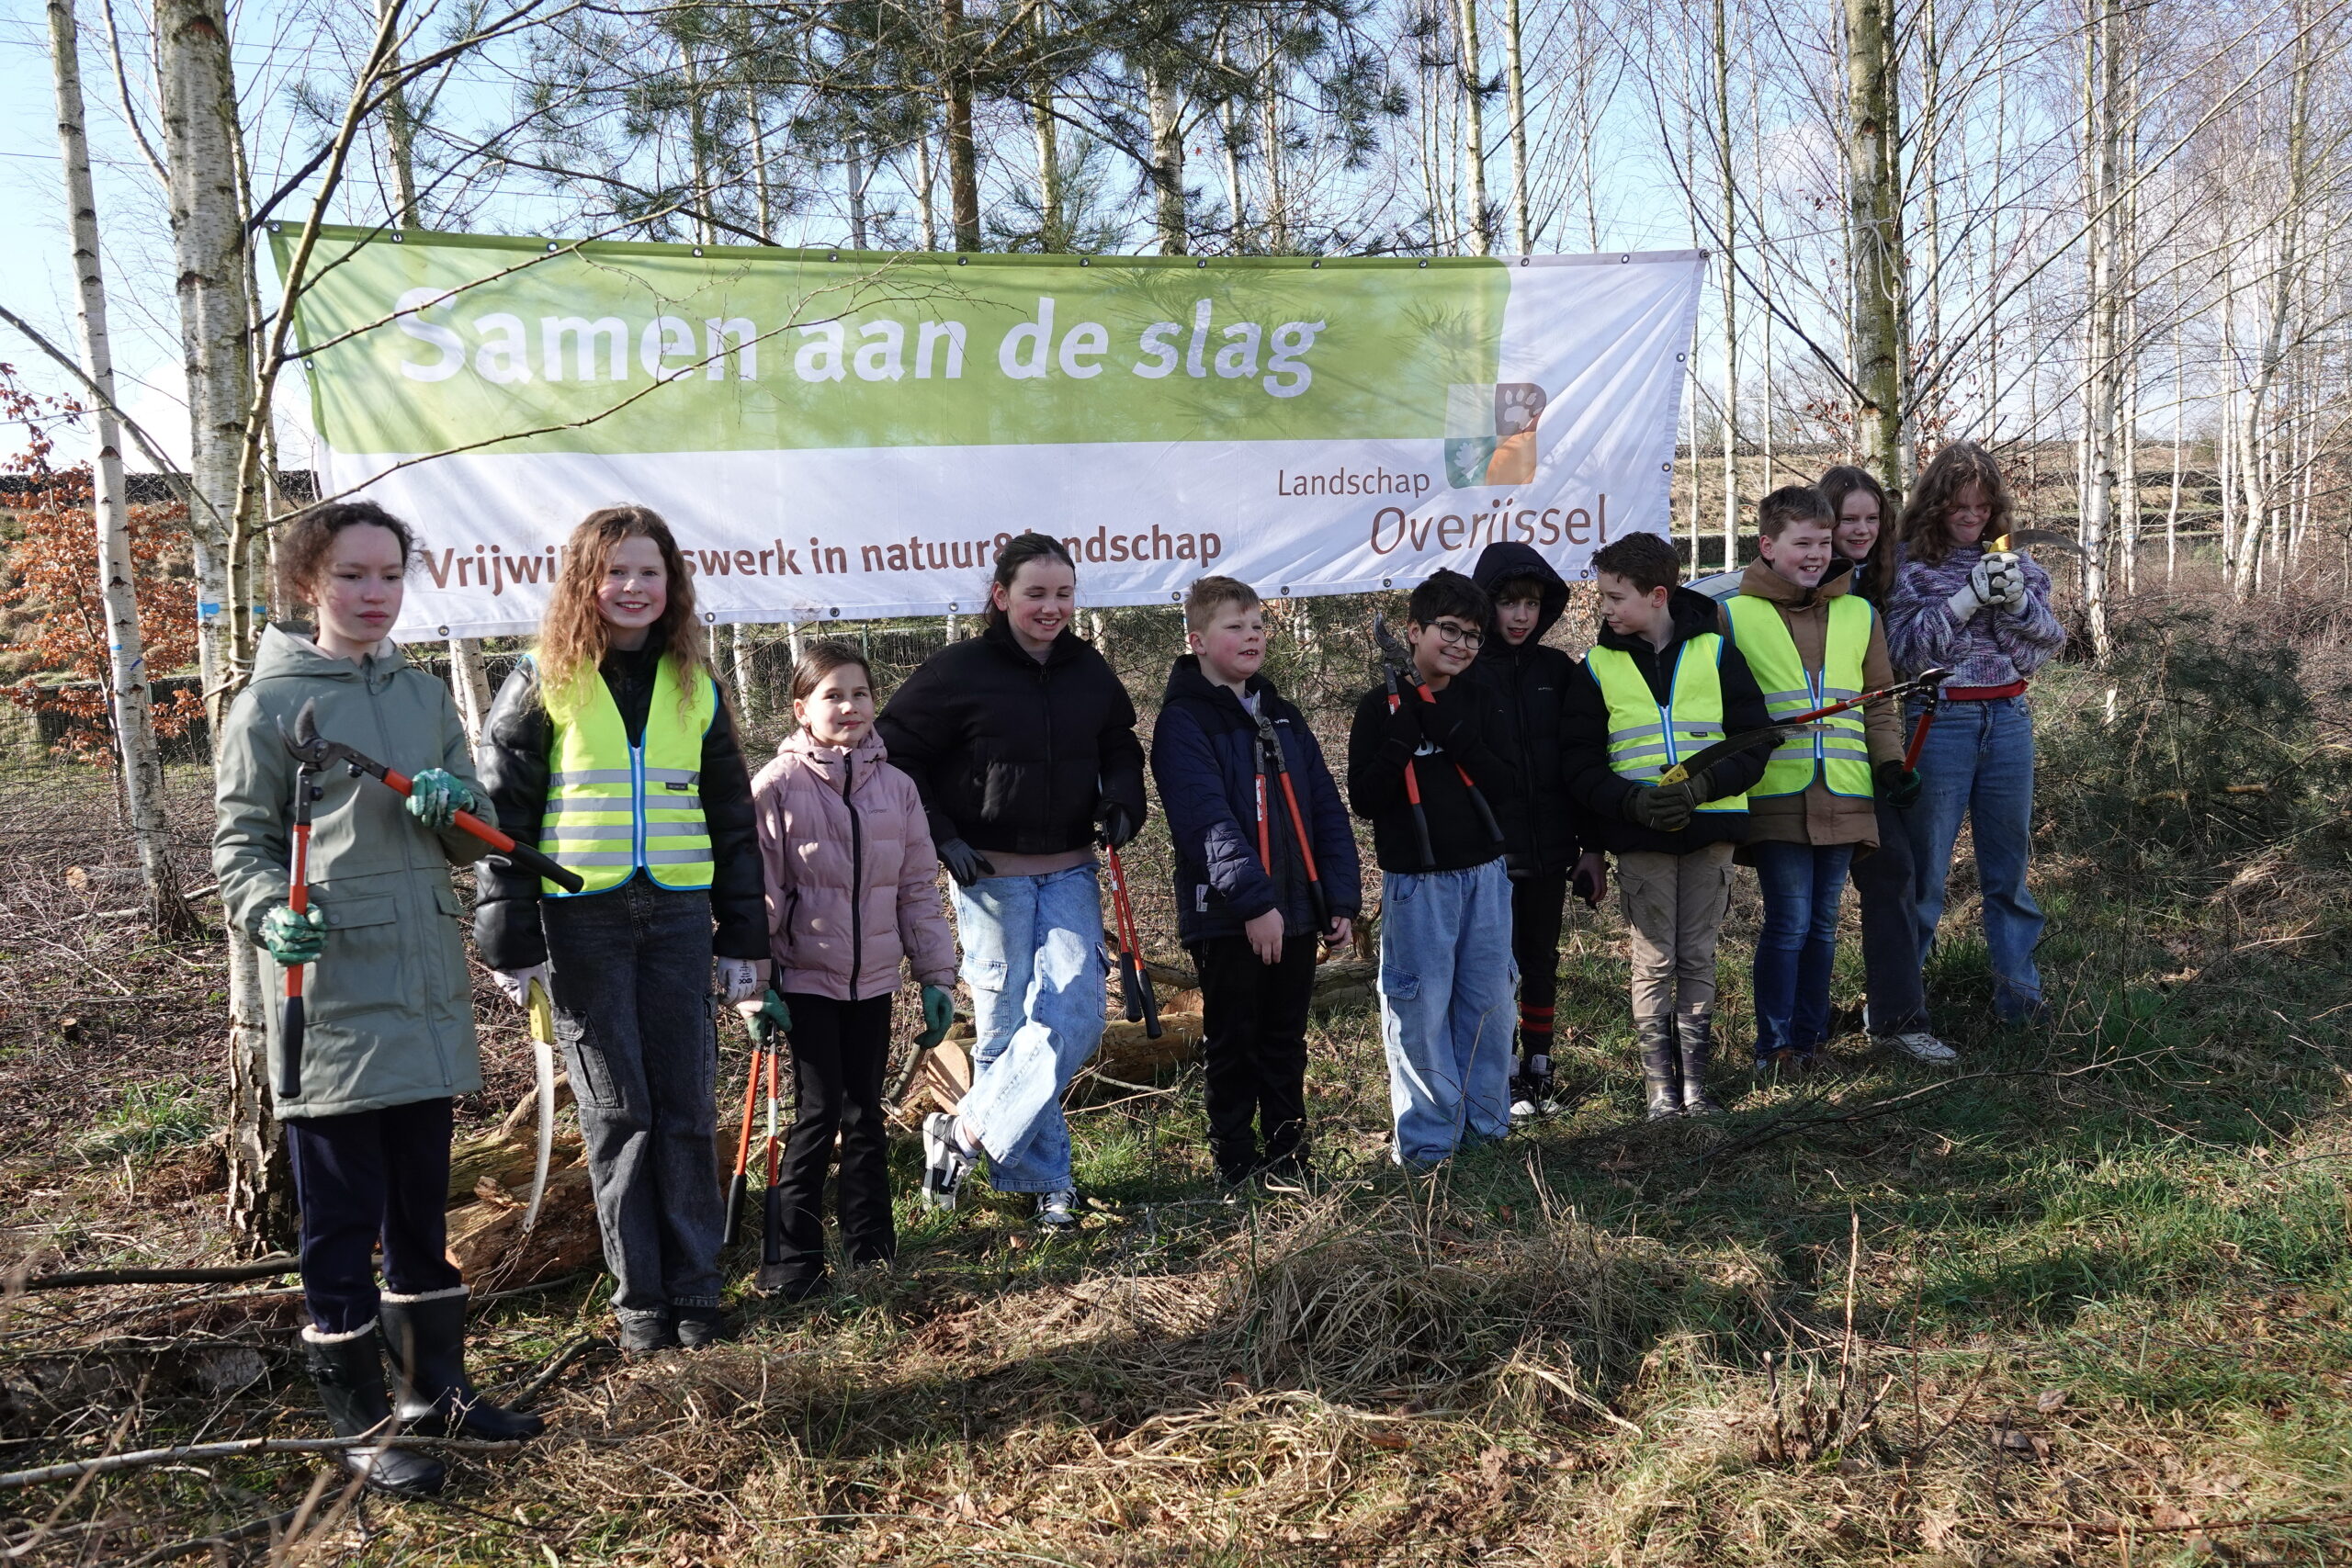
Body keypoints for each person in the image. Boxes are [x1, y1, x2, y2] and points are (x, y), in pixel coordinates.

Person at [214, 500, 541, 1498]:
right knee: (338, 1215)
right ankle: (358, 1417)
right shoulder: (267, 708)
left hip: (422, 988)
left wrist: (459, 810)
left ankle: (434, 1392)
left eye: (389, 576)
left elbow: (473, 833)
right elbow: (239, 848)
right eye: (353, 576)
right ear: (311, 583)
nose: (373, 595)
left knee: (417, 1202)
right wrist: (272, 912)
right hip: (331, 993)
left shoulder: (418, 692)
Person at [474, 505, 767, 1355]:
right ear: (585, 582)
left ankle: (698, 1292)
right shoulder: (540, 678)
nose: (633, 587)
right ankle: (641, 1301)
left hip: (678, 915)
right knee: (619, 1112)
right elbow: (504, 816)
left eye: (650, 572)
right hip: (581, 921)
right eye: (616, 572)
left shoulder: (696, 684)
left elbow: (733, 820)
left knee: (685, 1104)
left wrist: (745, 935)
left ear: (671, 583)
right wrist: (510, 933)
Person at [879, 533, 1148, 1231]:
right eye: (1036, 593)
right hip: (988, 877)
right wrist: (941, 833)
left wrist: (1122, 797)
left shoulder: (1088, 670)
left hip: (1069, 867)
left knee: (1075, 1017)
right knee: (1005, 1030)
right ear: (1001, 597)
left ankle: (963, 1132)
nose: (1051, 607)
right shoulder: (958, 670)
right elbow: (896, 749)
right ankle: (1044, 1182)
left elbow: (1120, 741)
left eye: (1063, 594)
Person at [749, 644, 958, 1300]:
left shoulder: (897, 788)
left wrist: (935, 975)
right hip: (805, 983)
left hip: (873, 983)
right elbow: (759, 898)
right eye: (833, 695)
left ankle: (872, 1253)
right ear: (801, 708)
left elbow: (917, 888)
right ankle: (793, 1264)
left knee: (865, 1113)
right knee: (816, 1116)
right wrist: (754, 990)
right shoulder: (775, 787)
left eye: (861, 694)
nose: (849, 707)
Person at [1150, 577, 1362, 1190]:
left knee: (1284, 1038)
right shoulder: (1184, 721)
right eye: (1234, 627)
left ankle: (1289, 1159)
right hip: (1230, 915)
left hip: (1295, 911)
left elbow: (1324, 806)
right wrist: (1253, 901)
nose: (1252, 637)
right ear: (1197, 641)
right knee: (1235, 1039)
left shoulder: (1282, 713)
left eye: (1258, 626)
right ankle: (1237, 1167)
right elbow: (1205, 820)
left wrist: (1338, 898)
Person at [1561, 532, 1773, 1119]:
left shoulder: (1717, 653)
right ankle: (1662, 1091)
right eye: (1602, 595)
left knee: (1698, 954)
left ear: (1658, 595)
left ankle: (1697, 1088)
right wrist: (1630, 805)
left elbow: (1754, 742)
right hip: (1639, 837)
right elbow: (1577, 763)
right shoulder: (1596, 668)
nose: (1604, 607)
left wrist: (1705, 788)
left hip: (1712, 830)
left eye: (1614, 596)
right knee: (1653, 959)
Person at [1725, 485, 1914, 1073]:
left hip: (1847, 792)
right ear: (1767, 546)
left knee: (1825, 924)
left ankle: (1810, 1044)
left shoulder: (1861, 614)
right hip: (1774, 796)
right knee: (1788, 921)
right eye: (1801, 542)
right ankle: (1774, 1047)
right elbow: (1721, 708)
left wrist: (1890, 764)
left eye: (1823, 542)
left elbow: (1880, 705)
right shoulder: (1732, 614)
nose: (1815, 554)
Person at [1346, 570, 1521, 1168]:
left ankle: (1486, 1134)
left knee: (1490, 1007)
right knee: (1421, 1011)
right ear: (1414, 630)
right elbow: (1365, 799)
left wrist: (1448, 729)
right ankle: (1426, 1147)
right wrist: (1402, 738)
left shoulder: (1481, 697)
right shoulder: (1379, 708)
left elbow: (1506, 784)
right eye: (1449, 630)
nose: (1461, 645)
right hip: (1417, 886)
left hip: (1485, 879)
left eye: (1473, 635)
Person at [1885, 442, 2064, 1024]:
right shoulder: (1909, 564)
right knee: (1925, 875)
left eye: (1983, 508)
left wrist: (2014, 602)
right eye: (1960, 506)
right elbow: (1904, 652)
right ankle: (1901, 1010)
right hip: (1939, 721)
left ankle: (2021, 1004)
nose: (1971, 517)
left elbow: (2043, 646)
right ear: (1936, 504)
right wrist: (1963, 603)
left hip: (2008, 722)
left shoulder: (2018, 564)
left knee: (2008, 875)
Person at [1817, 464, 1953, 1064]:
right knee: (1804, 901)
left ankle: (1897, 1018)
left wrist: (1891, 759)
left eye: (1873, 518)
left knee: (1895, 872)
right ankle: (1798, 1025)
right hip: (1802, 761)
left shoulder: (1887, 577)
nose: (1863, 529)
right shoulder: (1801, 575)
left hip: (1870, 753)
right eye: (1850, 518)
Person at [1470, 542, 1608, 1121]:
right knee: (1492, 962)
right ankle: (1498, 1072)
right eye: (1508, 603)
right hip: (1486, 853)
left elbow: (1586, 763)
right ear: (1486, 606)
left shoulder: (1561, 672)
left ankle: (1539, 1066)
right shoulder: (1466, 671)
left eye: (1531, 603)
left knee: (1539, 958)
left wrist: (1593, 848)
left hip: (1552, 850)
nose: (1521, 616)